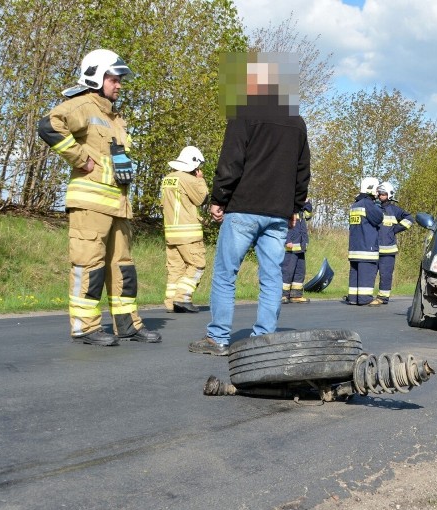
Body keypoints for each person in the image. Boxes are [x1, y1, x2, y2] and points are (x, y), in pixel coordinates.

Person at [189, 52, 310, 356]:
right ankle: (264, 340)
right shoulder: (297, 121)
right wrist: (294, 207)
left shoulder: (243, 113)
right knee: (271, 278)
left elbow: (231, 161)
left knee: (226, 274)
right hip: (279, 214)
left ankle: (217, 338)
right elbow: (302, 171)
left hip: (243, 208)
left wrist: (219, 198)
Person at [37, 49, 160, 346]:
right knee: (88, 265)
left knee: (123, 267)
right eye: (114, 79)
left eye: (120, 80)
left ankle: (127, 324)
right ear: (96, 76)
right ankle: (85, 326)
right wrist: (80, 158)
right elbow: (48, 125)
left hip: (117, 206)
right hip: (90, 205)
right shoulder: (82, 105)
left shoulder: (114, 117)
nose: (119, 85)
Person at [162, 146, 208, 313]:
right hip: (188, 233)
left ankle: (170, 302)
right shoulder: (188, 179)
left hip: (171, 233)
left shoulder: (167, 178)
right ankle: (183, 297)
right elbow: (201, 199)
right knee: (197, 264)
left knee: (176, 268)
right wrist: (200, 180)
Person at [347, 177, 384, 306]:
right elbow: (378, 218)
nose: (378, 192)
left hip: (354, 248)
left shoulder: (355, 205)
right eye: (376, 189)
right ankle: (364, 298)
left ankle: (353, 298)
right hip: (366, 249)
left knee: (355, 274)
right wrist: (378, 207)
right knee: (367, 272)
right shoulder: (368, 204)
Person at [375, 182, 414, 304]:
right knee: (369, 274)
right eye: (379, 193)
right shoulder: (373, 208)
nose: (380, 196)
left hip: (388, 250)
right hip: (373, 249)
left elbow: (410, 219)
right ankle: (365, 297)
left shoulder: (394, 210)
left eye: (383, 194)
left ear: (389, 195)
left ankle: (383, 297)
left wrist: (394, 230)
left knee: (386, 275)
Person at [281, 200, 313, 304]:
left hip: (300, 246)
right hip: (290, 247)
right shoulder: (288, 204)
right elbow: (283, 224)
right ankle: (282, 295)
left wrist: (307, 203)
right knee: (287, 272)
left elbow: (309, 216)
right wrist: (287, 240)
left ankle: (296, 295)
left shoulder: (301, 209)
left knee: (300, 271)